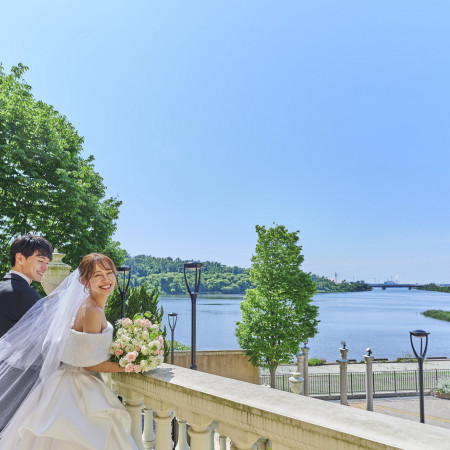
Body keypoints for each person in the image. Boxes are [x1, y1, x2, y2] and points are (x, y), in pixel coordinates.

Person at [0, 253, 138, 449]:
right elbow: (89, 363)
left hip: (65, 381)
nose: (106, 280)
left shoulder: (88, 305)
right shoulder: (92, 310)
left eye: (109, 273)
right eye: (98, 275)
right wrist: (129, 365)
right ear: (85, 281)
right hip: (78, 388)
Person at [0, 234, 53, 337]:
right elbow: (44, 337)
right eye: (40, 261)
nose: (45, 268)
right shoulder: (25, 294)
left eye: (47, 263)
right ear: (20, 258)